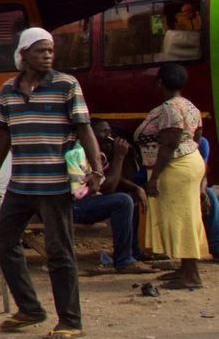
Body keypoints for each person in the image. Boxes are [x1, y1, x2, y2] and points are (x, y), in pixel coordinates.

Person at [0, 27, 103, 339]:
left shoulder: (67, 85)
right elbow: (4, 135)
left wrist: (96, 168)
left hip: (54, 184)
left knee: (59, 251)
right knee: (3, 240)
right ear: (23, 54)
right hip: (22, 183)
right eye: (41, 50)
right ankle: (30, 308)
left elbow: (84, 128)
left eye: (51, 50)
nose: (48, 55)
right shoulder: (8, 91)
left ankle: (70, 319)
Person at [135, 62, 208, 290]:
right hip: (189, 162)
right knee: (186, 216)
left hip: (174, 168)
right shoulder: (189, 105)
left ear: (160, 83)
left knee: (181, 219)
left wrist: (155, 177)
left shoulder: (169, 109)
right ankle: (185, 269)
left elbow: (169, 144)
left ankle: (191, 275)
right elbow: (198, 136)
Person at [71, 120, 154, 274]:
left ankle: (133, 252)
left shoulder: (97, 155)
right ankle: (124, 261)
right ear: (90, 135)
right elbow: (108, 187)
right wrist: (120, 156)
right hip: (72, 207)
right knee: (123, 201)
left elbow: (110, 177)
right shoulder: (77, 154)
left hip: (87, 202)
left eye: (109, 132)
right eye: (104, 132)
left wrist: (136, 188)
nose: (109, 136)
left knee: (130, 197)